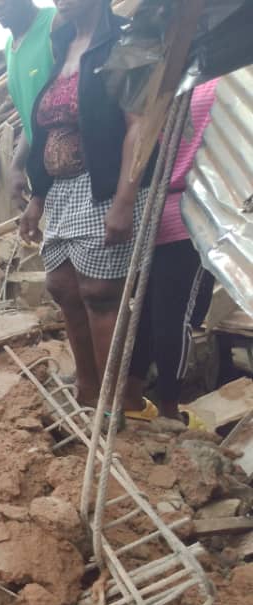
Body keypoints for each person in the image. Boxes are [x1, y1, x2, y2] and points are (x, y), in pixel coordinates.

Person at [20, 0, 157, 416]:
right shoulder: (62, 44)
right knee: (62, 288)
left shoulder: (123, 40)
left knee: (100, 293)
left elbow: (139, 124)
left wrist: (124, 199)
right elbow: (46, 131)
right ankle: (87, 391)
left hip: (101, 189)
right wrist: (36, 199)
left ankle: (116, 408)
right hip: (60, 192)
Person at [128, 80, 220, 424]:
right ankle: (169, 411)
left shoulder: (163, 92)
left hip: (152, 214)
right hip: (192, 216)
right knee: (179, 317)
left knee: (148, 310)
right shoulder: (222, 88)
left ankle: (131, 397)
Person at [0, 0, 62, 202]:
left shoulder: (56, 22)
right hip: (46, 173)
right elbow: (33, 117)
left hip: (76, 169)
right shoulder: (10, 48)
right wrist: (17, 165)